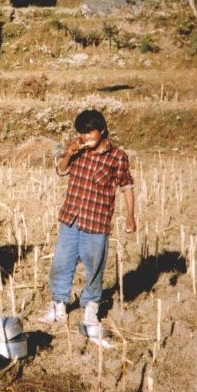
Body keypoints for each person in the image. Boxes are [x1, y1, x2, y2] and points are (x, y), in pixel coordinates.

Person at [37, 109, 136, 327]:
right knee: (61, 264)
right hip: (71, 218)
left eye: (89, 133)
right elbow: (61, 171)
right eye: (82, 133)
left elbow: (127, 187)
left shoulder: (117, 157)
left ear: (102, 130)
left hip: (96, 223)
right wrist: (68, 154)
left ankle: (91, 308)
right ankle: (58, 306)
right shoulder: (76, 147)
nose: (85, 138)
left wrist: (130, 216)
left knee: (94, 267)